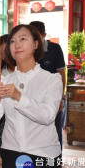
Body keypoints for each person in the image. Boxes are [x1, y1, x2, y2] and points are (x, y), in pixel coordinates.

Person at [0, 24, 62, 168]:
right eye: (12, 41)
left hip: (44, 154)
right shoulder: (5, 79)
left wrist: (18, 96)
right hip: (12, 153)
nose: (17, 44)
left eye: (23, 39)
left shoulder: (51, 79)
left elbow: (47, 116)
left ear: (36, 44)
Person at [29, 21, 66, 150]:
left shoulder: (55, 49)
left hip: (53, 99)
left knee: (55, 130)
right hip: (34, 99)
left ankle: (55, 161)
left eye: (37, 36)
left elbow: (61, 73)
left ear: (44, 35)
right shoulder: (28, 49)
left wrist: (61, 98)